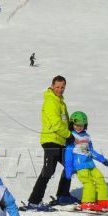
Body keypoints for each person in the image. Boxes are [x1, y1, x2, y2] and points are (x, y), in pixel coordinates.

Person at [25, 75, 75, 207]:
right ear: (52, 86)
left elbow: (64, 122)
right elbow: (56, 124)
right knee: (48, 171)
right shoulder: (51, 101)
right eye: (57, 87)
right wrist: (69, 135)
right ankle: (34, 201)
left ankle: (63, 195)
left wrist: (73, 129)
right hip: (51, 140)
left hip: (60, 141)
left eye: (62, 87)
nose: (60, 89)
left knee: (70, 165)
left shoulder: (60, 102)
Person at [62, 112, 108, 211]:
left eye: (81, 125)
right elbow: (68, 153)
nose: (79, 127)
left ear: (85, 125)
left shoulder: (87, 136)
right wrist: (68, 168)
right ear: (72, 124)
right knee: (88, 183)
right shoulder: (71, 136)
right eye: (76, 125)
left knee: (100, 179)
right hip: (79, 165)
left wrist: (102, 159)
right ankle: (87, 202)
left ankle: (103, 200)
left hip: (90, 164)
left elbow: (91, 151)